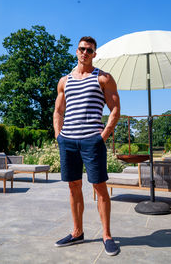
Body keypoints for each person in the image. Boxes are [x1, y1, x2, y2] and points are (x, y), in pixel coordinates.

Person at [53, 36, 120, 256]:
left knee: (99, 187)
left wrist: (102, 136)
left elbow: (115, 108)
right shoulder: (64, 81)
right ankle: (77, 232)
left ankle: (107, 235)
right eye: (82, 49)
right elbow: (58, 111)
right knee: (73, 186)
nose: (85, 53)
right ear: (76, 51)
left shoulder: (103, 78)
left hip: (92, 141)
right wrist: (58, 135)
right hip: (68, 142)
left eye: (89, 50)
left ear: (94, 54)